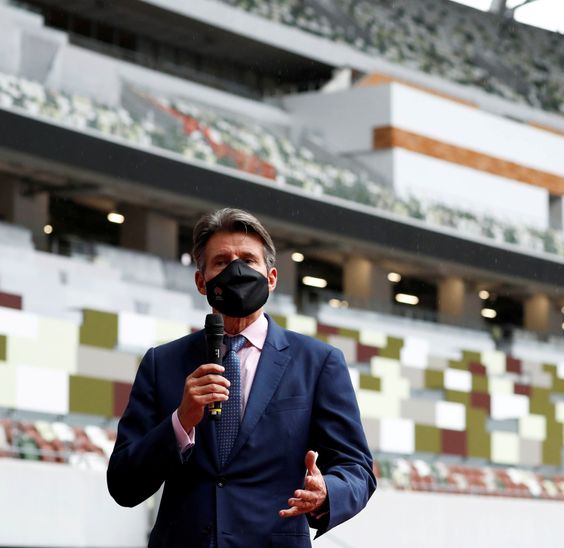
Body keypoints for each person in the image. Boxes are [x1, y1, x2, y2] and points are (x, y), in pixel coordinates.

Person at [107, 208, 375, 548]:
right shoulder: (162, 363)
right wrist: (179, 422)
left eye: (248, 260)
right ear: (202, 281)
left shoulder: (318, 363)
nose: (236, 270)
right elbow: (123, 484)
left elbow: (357, 469)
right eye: (221, 261)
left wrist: (327, 494)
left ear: (271, 277)